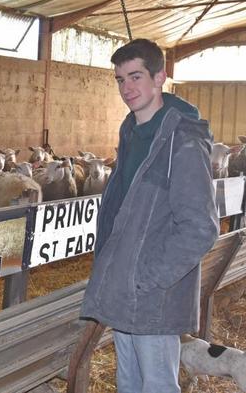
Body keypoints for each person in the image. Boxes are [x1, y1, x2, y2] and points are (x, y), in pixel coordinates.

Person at [80, 39, 219, 393]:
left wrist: (149, 277)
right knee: (128, 382)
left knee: (157, 384)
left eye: (136, 76)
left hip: (152, 295)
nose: (127, 88)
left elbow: (200, 227)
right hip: (122, 288)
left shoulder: (183, 141)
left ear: (160, 77)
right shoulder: (132, 131)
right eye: (120, 80)